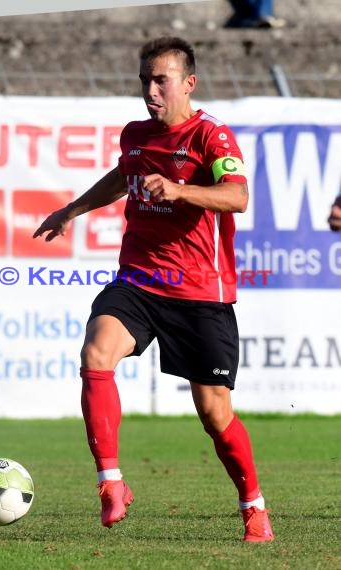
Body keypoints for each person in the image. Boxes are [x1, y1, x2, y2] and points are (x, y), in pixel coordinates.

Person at [33, 36, 274, 543]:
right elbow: (124, 176)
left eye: (161, 79)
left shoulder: (213, 136)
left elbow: (238, 195)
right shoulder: (135, 135)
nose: (151, 89)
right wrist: (71, 210)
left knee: (214, 413)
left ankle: (253, 504)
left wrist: (181, 188)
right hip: (139, 278)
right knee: (96, 353)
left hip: (199, 292)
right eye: (145, 79)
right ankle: (111, 483)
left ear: (189, 83)